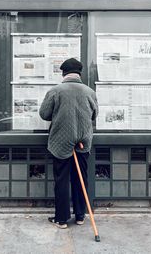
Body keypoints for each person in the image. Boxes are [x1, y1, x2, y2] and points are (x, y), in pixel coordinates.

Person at [39, 58, 98, 229]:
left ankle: (62, 219)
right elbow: (94, 116)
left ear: (63, 73)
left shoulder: (56, 91)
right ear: (79, 73)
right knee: (80, 178)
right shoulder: (89, 92)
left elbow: (44, 114)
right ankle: (80, 216)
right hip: (83, 141)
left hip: (61, 141)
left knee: (62, 179)